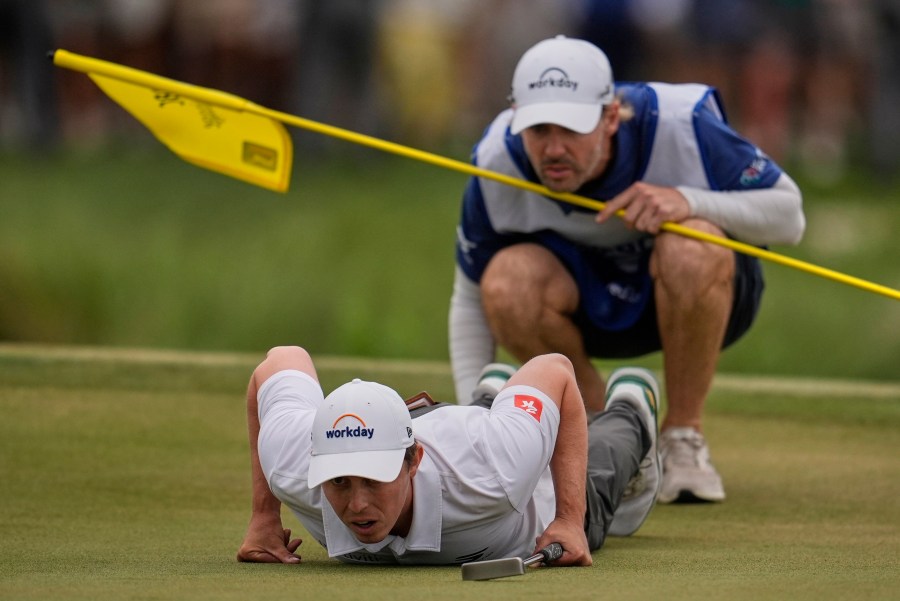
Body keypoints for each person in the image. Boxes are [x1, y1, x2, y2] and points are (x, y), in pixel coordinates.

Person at [449, 35, 806, 504]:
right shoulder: (498, 158)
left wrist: (688, 201)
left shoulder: (680, 122)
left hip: (703, 296)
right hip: (584, 310)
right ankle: (609, 444)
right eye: (539, 130)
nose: (554, 149)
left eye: (571, 129)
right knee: (505, 280)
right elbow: (472, 295)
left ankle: (682, 439)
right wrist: (468, 426)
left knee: (690, 243)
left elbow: (790, 216)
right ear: (516, 118)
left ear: (611, 116)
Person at [236, 345, 661, 565]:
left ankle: (631, 403)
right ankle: (492, 397)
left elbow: (555, 370)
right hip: (455, 433)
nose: (357, 504)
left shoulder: (498, 470)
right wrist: (264, 518)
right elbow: (279, 362)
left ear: (412, 461)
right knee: (493, 426)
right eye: (339, 481)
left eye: (373, 478)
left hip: (511, 475)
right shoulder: (292, 463)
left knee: (605, 461)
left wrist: (568, 520)